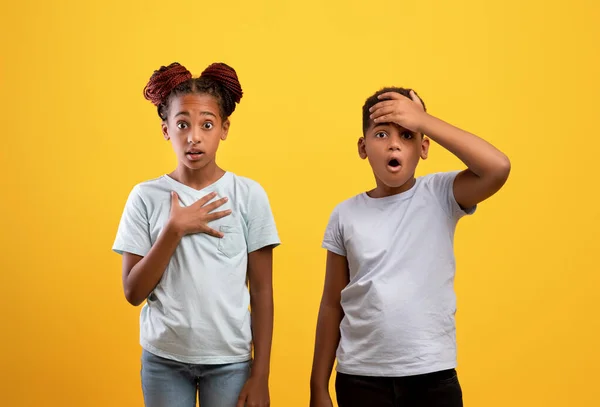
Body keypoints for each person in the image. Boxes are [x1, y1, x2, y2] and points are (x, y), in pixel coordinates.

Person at [309, 87, 511, 407]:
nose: (393, 143)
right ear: (363, 147)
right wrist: (318, 385)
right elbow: (332, 303)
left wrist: (423, 120)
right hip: (360, 377)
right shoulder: (344, 214)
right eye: (381, 133)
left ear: (423, 146)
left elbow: (497, 167)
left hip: (431, 374)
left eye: (406, 135)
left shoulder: (441, 194)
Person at [112, 62, 279, 407]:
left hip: (230, 362)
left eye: (206, 124)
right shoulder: (145, 197)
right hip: (164, 360)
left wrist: (260, 375)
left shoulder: (248, 195)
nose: (194, 137)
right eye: (182, 124)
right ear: (166, 129)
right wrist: (173, 230)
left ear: (224, 128)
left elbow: (262, 291)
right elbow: (133, 291)